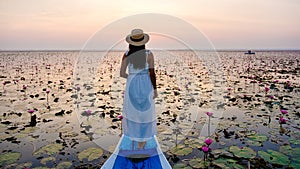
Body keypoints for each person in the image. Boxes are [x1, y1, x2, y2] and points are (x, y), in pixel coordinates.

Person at [101, 29, 171, 169]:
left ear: (131, 43)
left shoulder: (126, 55)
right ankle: (142, 141)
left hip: (131, 86)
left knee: (133, 113)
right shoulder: (149, 54)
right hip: (146, 84)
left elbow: (122, 73)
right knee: (145, 112)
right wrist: (154, 89)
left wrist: (132, 78)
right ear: (143, 42)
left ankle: (134, 138)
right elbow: (152, 74)